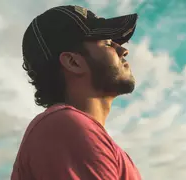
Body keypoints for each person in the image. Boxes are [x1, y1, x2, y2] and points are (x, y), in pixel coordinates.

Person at [10, 5, 141, 180]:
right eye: (108, 43)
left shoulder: (75, 132)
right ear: (73, 62)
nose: (123, 50)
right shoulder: (65, 127)